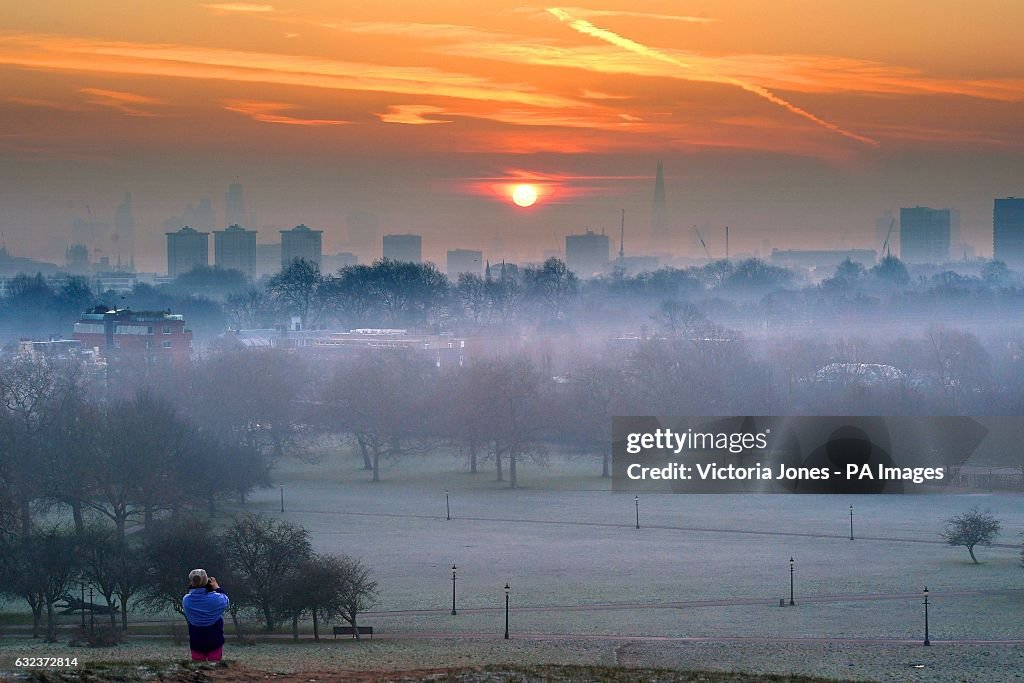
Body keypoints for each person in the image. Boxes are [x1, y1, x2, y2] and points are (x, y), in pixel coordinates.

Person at [182, 568, 230, 661]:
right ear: (206, 581)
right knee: (214, 667)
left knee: (198, 668)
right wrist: (217, 588)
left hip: (196, 639)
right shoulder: (216, 598)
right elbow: (226, 601)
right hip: (214, 639)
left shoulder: (186, 600)